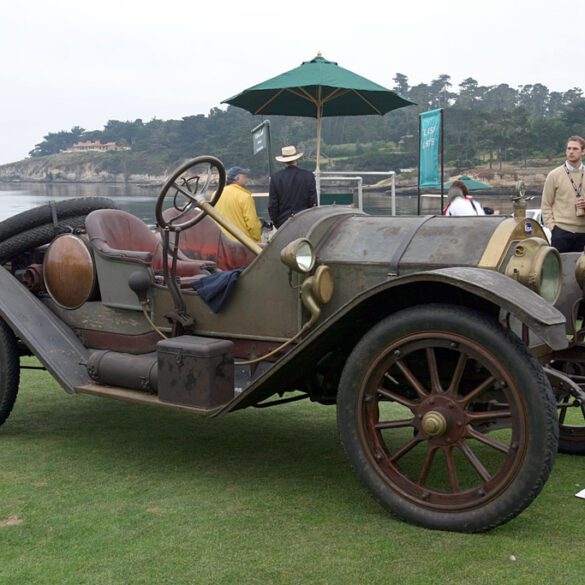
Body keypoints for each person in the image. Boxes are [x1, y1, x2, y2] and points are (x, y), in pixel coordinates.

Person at [541, 136, 585, 253]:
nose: (571, 152)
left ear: (583, 151)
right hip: (561, 232)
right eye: (568, 148)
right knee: (560, 270)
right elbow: (546, 204)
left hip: (583, 232)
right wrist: (553, 228)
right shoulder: (554, 175)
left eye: (575, 149)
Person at [268, 146, 317, 228]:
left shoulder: (275, 178)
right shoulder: (308, 176)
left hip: (283, 223)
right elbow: (313, 202)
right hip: (305, 221)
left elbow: (272, 205)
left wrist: (276, 223)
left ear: (283, 162)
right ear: (296, 159)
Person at [214, 166, 262, 243]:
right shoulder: (245, 197)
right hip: (241, 244)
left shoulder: (216, 194)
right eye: (245, 177)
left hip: (222, 242)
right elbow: (252, 224)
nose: (247, 179)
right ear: (237, 178)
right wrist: (258, 240)